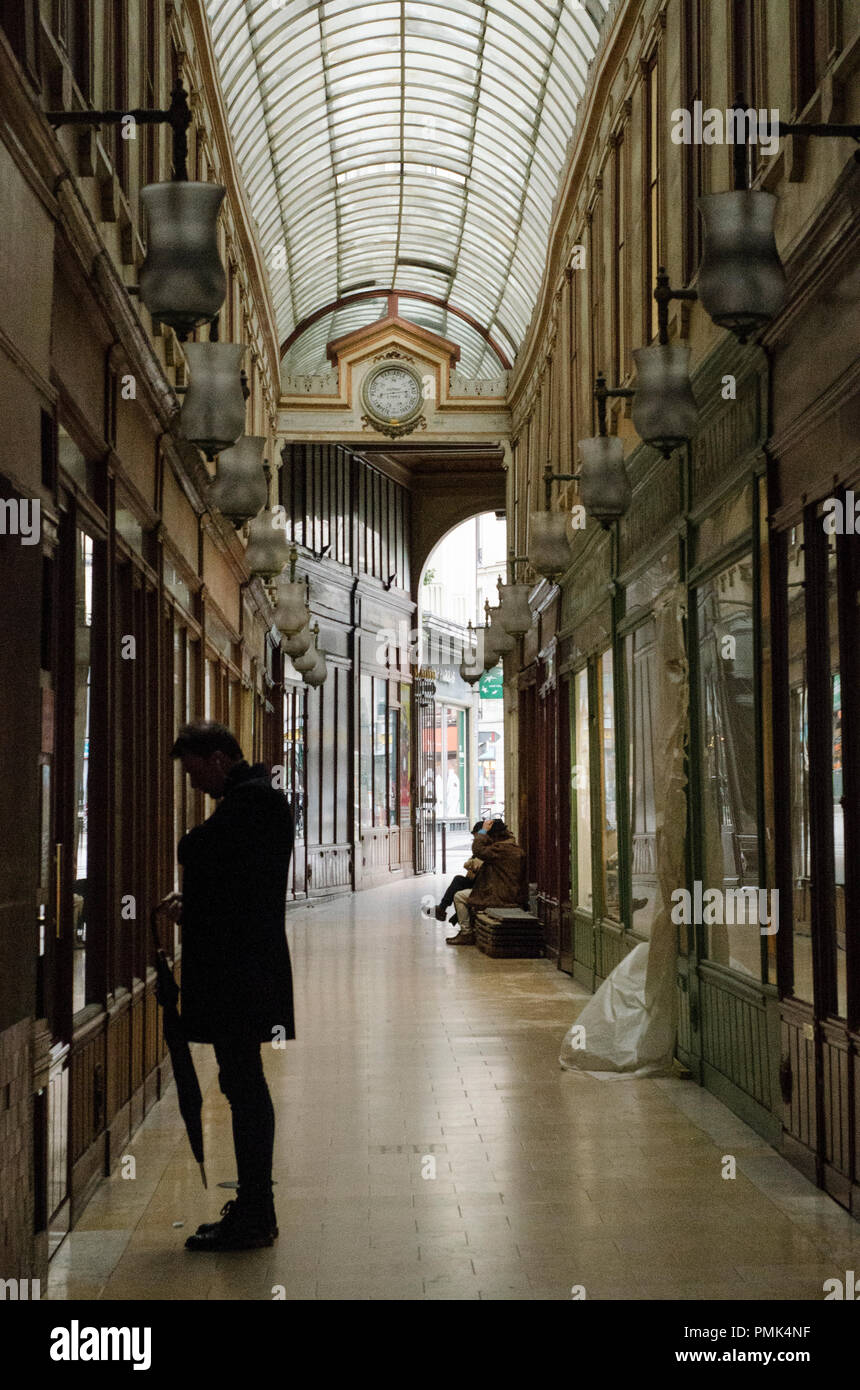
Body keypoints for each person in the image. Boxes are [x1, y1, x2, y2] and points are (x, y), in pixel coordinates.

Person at [157, 720, 294, 1252]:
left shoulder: (252, 803)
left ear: (217, 758)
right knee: (242, 1086)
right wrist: (197, 911)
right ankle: (256, 1209)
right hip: (247, 970)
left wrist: (196, 880)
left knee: (245, 1088)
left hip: (243, 976)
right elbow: (239, 889)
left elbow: (195, 849)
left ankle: (255, 1214)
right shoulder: (253, 801)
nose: (194, 786)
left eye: (194, 773)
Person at [446, 818, 527, 946]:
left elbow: (478, 850)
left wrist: (483, 831)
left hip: (498, 896)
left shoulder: (500, 850)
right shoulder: (515, 849)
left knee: (459, 896)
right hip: (512, 894)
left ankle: (466, 933)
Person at [434, 821, 484, 922]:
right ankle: (443, 909)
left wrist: (472, 863)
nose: (475, 840)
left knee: (458, 888)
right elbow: (468, 863)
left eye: (476, 837)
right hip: (479, 881)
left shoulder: (486, 848)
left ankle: (443, 909)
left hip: (483, 885)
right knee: (458, 882)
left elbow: (472, 864)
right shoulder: (484, 848)